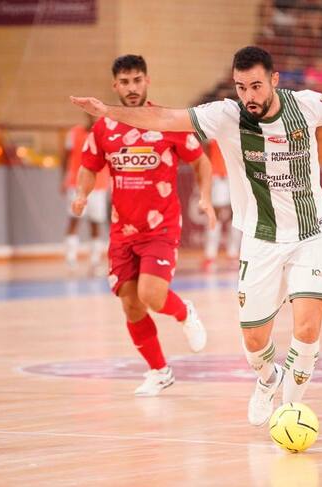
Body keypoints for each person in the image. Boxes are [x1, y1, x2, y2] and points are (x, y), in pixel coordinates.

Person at [70, 46, 322, 424]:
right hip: (260, 240)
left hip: (310, 235)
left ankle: (289, 412)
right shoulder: (225, 115)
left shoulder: (308, 105)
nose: (249, 96)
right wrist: (107, 112)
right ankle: (266, 378)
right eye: (241, 87)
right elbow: (162, 118)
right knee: (255, 343)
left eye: (256, 86)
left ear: (274, 80)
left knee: (307, 328)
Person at [71, 55, 216, 396]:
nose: (132, 88)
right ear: (115, 86)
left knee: (151, 296)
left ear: (147, 81)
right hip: (122, 231)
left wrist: (206, 198)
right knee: (130, 303)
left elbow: (201, 163)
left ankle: (184, 313)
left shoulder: (166, 121)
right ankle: (159, 371)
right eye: (125, 82)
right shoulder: (103, 128)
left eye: (137, 80)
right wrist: (81, 194)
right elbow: (89, 166)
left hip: (160, 228)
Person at [62, 114, 110, 274]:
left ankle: (95, 262)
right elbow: (65, 157)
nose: (93, 117)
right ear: (86, 115)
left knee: (95, 223)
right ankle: (70, 260)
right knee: (74, 220)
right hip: (76, 184)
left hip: (99, 185)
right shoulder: (74, 133)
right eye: (91, 114)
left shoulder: (106, 134)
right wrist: (63, 179)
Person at [202, 139, 241, 272]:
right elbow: (204, 153)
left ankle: (233, 254)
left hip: (235, 176)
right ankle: (210, 255)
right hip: (218, 176)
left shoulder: (237, 130)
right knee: (215, 214)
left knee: (236, 215)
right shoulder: (211, 133)